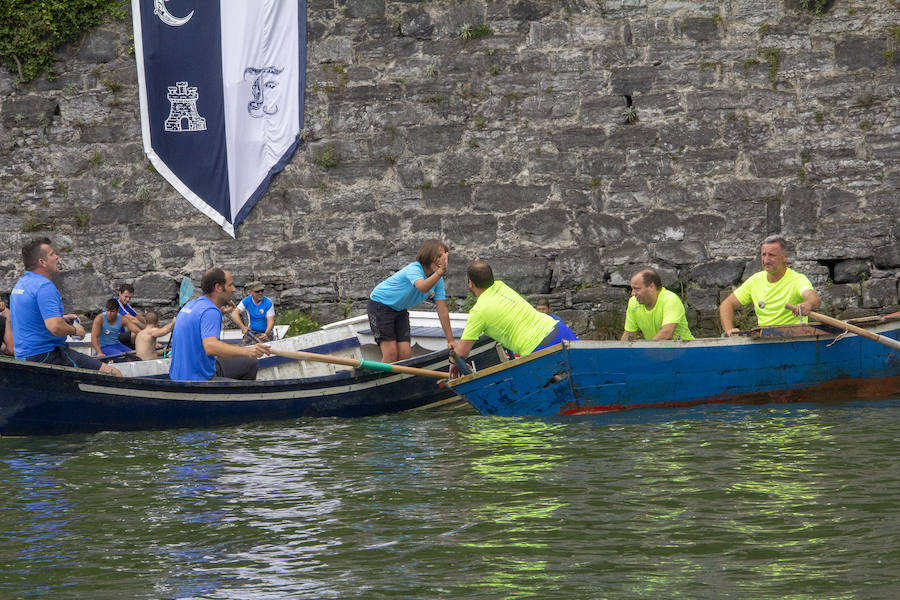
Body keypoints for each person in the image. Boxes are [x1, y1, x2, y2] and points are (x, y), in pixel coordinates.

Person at [9, 237, 121, 376]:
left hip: (25, 356)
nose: (57, 257)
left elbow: (30, 317)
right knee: (114, 373)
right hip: (47, 356)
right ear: (42, 262)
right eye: (52, 254)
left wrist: (61, 318)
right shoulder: (44, 287)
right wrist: (75, 330)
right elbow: (55, 327)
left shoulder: (21, 284)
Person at [452, 259, 578, 369]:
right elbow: (484, 274)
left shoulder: (478, 312)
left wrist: (453, 361)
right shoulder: (501, 286)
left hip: (538, 348)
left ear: (470, 283)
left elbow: (461, 353)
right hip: (559, 330)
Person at [169, 268, 270, 381]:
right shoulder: (210, 311)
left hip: (178, 376)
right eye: (230, 285)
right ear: (218, 287)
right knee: (250, 369)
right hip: (198, 380)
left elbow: (198, 325)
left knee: (250, 363)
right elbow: (211, 347)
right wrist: (248, 351)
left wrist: (221, 312)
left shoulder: (192, 305)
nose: (234, 289)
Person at [367, 239, 455, 363]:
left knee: (405, 354)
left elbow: (442, 309)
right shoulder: (414, 269)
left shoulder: (437, 280)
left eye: (444, 256)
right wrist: (440, 272)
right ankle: (380, 380)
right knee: (391, 354)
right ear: (428, 255)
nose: (441, 260)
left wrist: (450, 340)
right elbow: (423, 287)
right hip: (380, 305)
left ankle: (399, 380)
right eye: (438, 256)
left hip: (399, 309)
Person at [720, 235, 822, 335]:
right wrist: (730, 330)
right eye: (764, 255)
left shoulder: (797, 280)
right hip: (764, 341)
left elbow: (813, 297)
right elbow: (726, 304)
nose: (766, 260)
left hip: (793, 341)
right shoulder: (755, 281)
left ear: (785, 257)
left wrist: (808, 304)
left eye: (772, 255)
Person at [621, 268, 694, 341]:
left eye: (637, 289)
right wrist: (621, 351)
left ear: (651, 287)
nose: (633, 293)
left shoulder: (671, 300)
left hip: (687, 350)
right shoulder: (633, 302)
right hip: (656, 350)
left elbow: (666, 334)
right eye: (632, 289)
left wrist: (647, 351)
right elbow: (629, 335)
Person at [115, 283, 145, 348]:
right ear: (120, 293)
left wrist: (150, 323)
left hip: (119, 335)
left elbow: (137, 316)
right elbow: (132, 319)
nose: (128, 299)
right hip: (112, 337)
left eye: (130, 297)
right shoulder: (116, 304)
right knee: (135, 332)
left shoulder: (125, 304)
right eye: (126, 297)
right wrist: (147, 329)